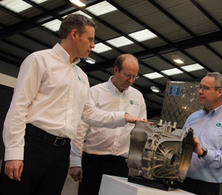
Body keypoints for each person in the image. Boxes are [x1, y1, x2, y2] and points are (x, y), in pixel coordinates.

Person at [0, 14, 145, 195]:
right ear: (74, 34)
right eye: (90, 39)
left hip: (61, 152)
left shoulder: (82, 76)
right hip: (34, 145)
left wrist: (122, 117)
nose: (93, 45)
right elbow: (18, 107)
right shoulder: (39, 60)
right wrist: (13, 154)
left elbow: (90, 113)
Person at [69, 54, 147, 195]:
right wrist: (75, 161)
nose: (131, 81)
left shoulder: (138, 97)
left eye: (135, 77)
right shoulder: (94, 92)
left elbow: (141, 132)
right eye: (127, 75)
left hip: (121, 165)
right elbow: (79, 129)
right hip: (94, 161)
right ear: (116, 70)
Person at [179, 72, 222, 195]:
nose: (200, 92)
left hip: (207, 188)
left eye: (206, 88)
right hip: (182, 182)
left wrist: (203, 153)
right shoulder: (193, 117)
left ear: (220, 92)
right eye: (200, 87)